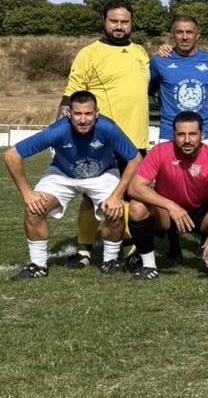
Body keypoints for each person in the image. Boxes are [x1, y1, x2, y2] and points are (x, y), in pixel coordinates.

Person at [5, 91, 141, 280]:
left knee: (114, 209)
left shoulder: (108, 128)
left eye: (88, 113)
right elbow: (11, 155)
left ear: (97, 113)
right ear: (69, 113)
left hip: (103, 174)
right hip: (62, 174)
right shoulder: (58, 130)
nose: (83, 119)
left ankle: (109, 261)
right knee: (33, 209)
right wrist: (27, 193)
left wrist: (117, 195)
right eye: (78, 114)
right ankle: (38, 266)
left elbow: (135, 158)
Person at [61, 2, 150, 269]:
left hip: (136, 139)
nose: (119, 26)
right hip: (100, 140)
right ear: (104, 22)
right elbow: (70, 96)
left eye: (124, 22)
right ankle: (84, 251)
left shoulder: (141, 52)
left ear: (131, 23)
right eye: (114, 21)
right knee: (91, 195)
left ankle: (130, 247)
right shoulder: (89, 53)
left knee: (133, 196)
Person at [126, 111, 208, 280]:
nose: (187, 140)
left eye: (192, 134)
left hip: (200, 211)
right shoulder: (160, 151)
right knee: (136, 207)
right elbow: (134, 187)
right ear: (173, 136)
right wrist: (170, 205)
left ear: (202, 135)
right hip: (166, 213)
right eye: (181, 134)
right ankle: (149, 266)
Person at [150, 15, 208, 142]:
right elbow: (148, 89)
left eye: (189, 32)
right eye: (179, 32)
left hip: (203, 134)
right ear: (172, 35)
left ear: (197, 35)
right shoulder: (159, 61)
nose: (184, 37)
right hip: (169, 135)